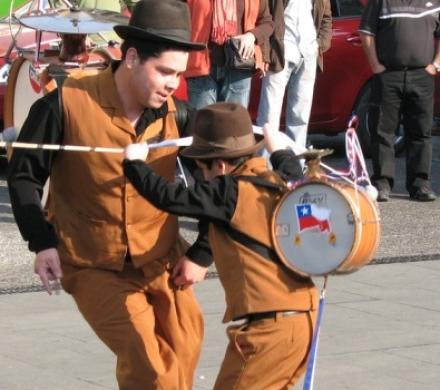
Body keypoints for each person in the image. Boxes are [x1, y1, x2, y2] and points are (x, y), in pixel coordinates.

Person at [7, 1, 211, 389]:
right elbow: (23, 176)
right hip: (92, 261)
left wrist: (201, 252)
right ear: (131, 57)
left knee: (184, 349)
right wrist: (42, 242)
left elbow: (216, 187)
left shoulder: (178, 115)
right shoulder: (64, 105)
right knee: (148, 362)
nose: (172, 83)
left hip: (161, 257)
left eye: (178, 74)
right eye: (164, 71)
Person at [123, 102, 319, 389]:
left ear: (220, 165)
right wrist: (280, 152)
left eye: (202, 169)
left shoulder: (230, 189)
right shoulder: (279, 179)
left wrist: (134, 164)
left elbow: (170, 196)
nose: (203, 178)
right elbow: (291, 169)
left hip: (269, 330)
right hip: (303, 320)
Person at [359, 0, 440, 202]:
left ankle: (420, 185)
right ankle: (382, 183)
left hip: (422, 75)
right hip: (388, 75)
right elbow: (366, 32)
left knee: (421, 132)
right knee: (383, 132)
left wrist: (436, 64)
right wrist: (375, 64)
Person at [256, 0, 332, 151]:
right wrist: (264, 53)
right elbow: (264, 15)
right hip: (280, 52)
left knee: (300, 118)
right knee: (269, 117)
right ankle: (265, 168)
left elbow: (326, 18)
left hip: (308, 54)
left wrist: (320, 44)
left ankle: (295, 167)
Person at [184, 0, 274, 109]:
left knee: (233, 123)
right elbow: (177, 15)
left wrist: (252, 36)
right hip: (200, 66)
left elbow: (267, 21)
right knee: (201, 123)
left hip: (239, 68)